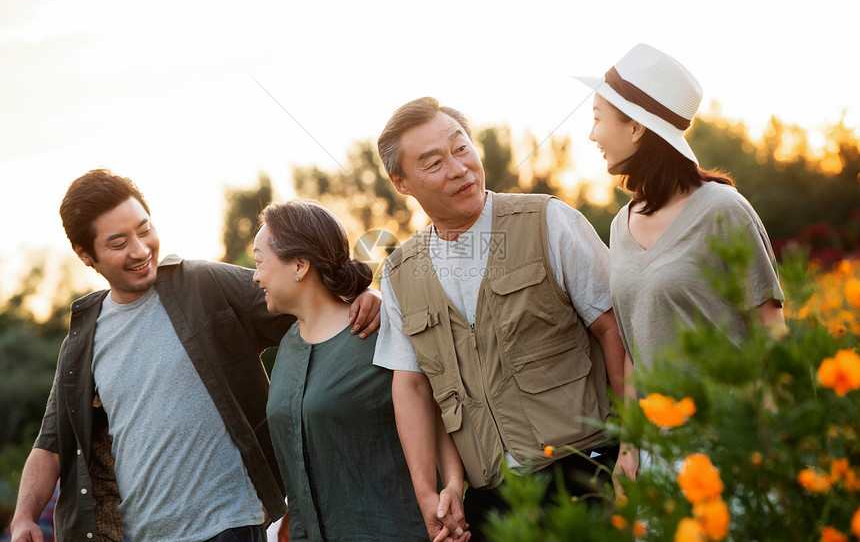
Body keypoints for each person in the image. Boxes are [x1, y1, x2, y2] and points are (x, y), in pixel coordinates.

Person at [10, 169, 381, 542]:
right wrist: (24, 517)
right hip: (139, 535)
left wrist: (366, 296)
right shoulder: (82, 340)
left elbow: (310, 303)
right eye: (119, 242)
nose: (140, 250)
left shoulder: (205, 285)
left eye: (144, 230)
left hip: (228, 525)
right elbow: (51, 444)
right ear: (85, 254)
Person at [373, 97, 635, 540]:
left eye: (461, 148)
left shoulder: (548, 221)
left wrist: (633, 442)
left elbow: (616, 331)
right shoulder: (400, 273)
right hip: (488, 501)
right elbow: (414, 386)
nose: (458, 169)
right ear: (401, 182)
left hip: (585, 472)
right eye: (433, 162)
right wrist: (430, 491)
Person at [576, 43, 785, 374]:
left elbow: (770, 331)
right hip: (656, 425)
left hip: (725, 423)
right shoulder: (620, 226)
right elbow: (635, 353)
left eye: (598, 118)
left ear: (635, 128)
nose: (592, 135)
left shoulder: (724, 210)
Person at [253, 200, 427, 542]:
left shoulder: (379, 332)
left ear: (300, 265)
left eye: (259, 262)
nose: (255, 275)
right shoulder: (287, 345)